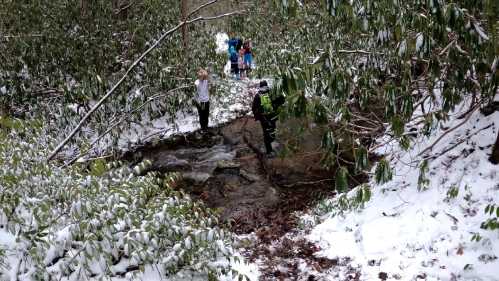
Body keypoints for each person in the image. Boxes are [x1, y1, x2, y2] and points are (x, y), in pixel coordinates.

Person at [251, 80, 285, 157]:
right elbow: (282, 100)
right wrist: (276, 107)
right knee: (272, 130)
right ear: (267, 85)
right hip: (272, 116)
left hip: (264, 118)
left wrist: (258, 117)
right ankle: (273, 145)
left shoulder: (258, 95)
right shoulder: (272, 93)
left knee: (266, 133)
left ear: (260, 86)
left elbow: (253, 108)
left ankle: (269, 151)